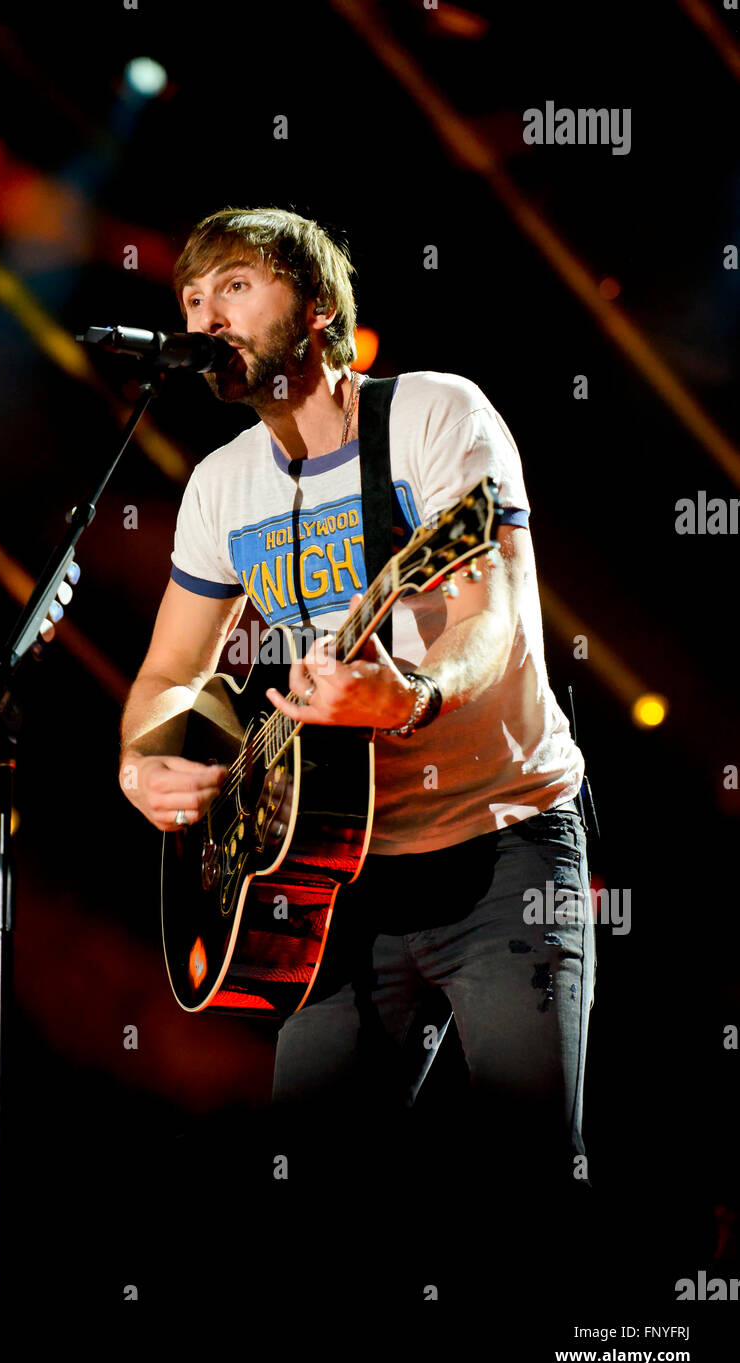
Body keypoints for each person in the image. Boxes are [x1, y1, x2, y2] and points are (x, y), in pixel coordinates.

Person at [118, 208, 596, 1272]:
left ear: (318, 310)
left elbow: (494, 615)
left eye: (234, 287)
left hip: (501, 847)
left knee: (528, 1184)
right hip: (340, 880)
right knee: (311, 1202)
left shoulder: (431, 415)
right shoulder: (221, 486)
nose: (205, 314)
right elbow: (165, 677)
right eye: (190, 299)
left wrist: (412, 691)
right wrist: (139, 759)